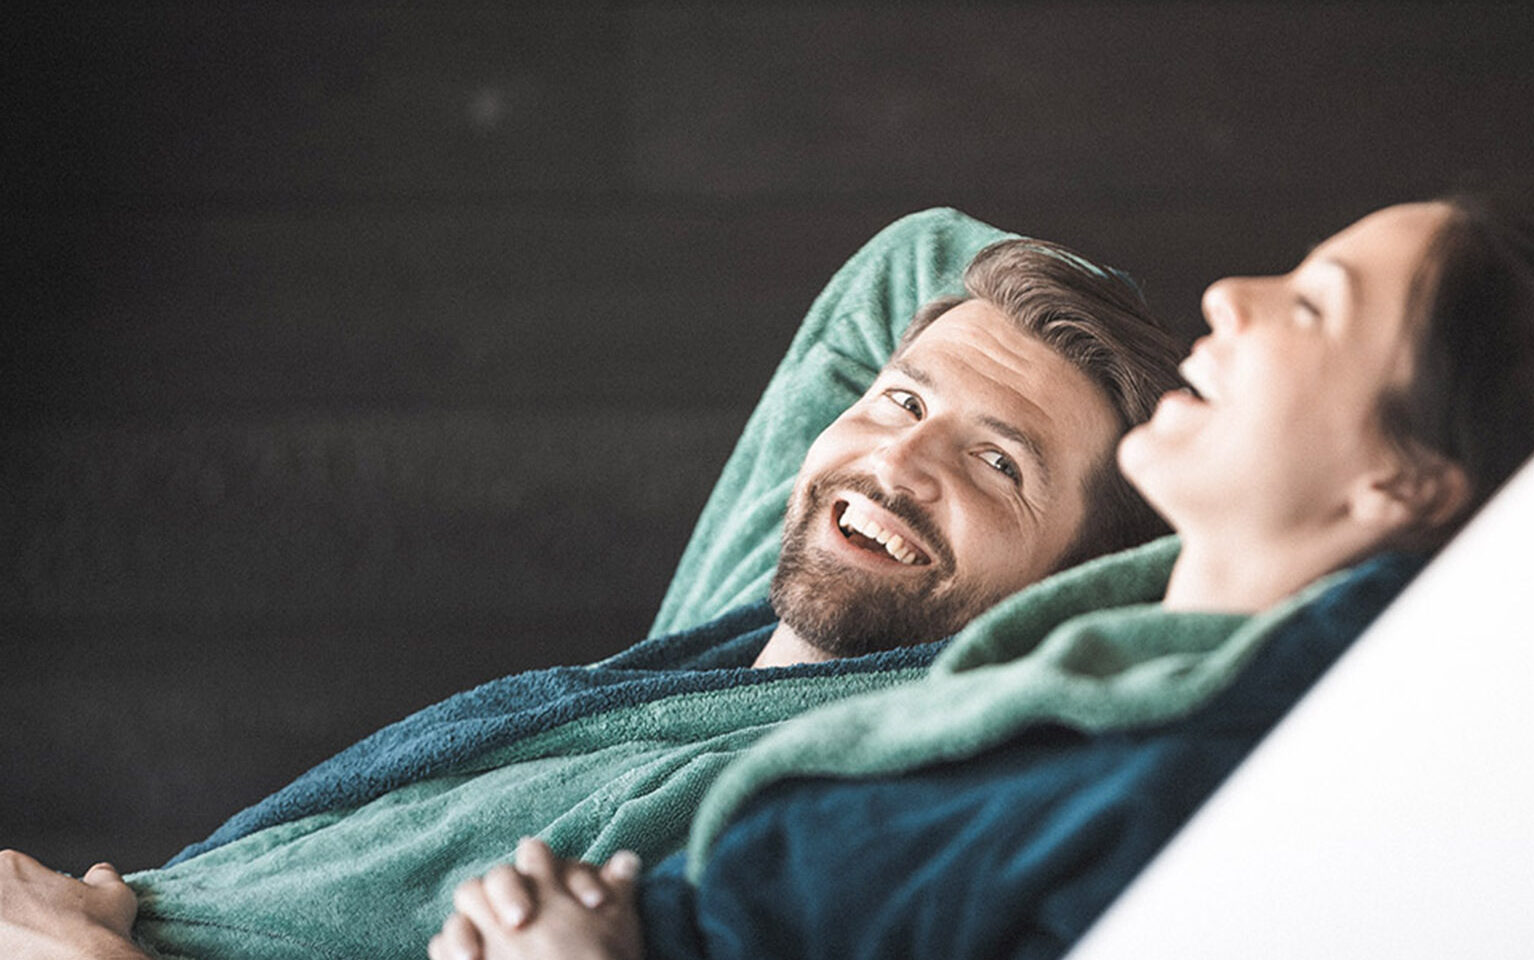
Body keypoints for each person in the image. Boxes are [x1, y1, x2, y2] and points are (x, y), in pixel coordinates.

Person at [423, 194, 1534, 960]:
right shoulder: (1117, 657)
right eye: (900, 400)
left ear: (1403, 482)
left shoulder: (1213, 783)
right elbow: (922, 262)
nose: (1230, 296)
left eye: (1314, 308)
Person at [0, 211, 1186, 960]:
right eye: (903, 399)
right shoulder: (737, 633)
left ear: (1084, 584)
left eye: (998, 462)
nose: (896, 463)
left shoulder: (816, 807)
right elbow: (918, 259)